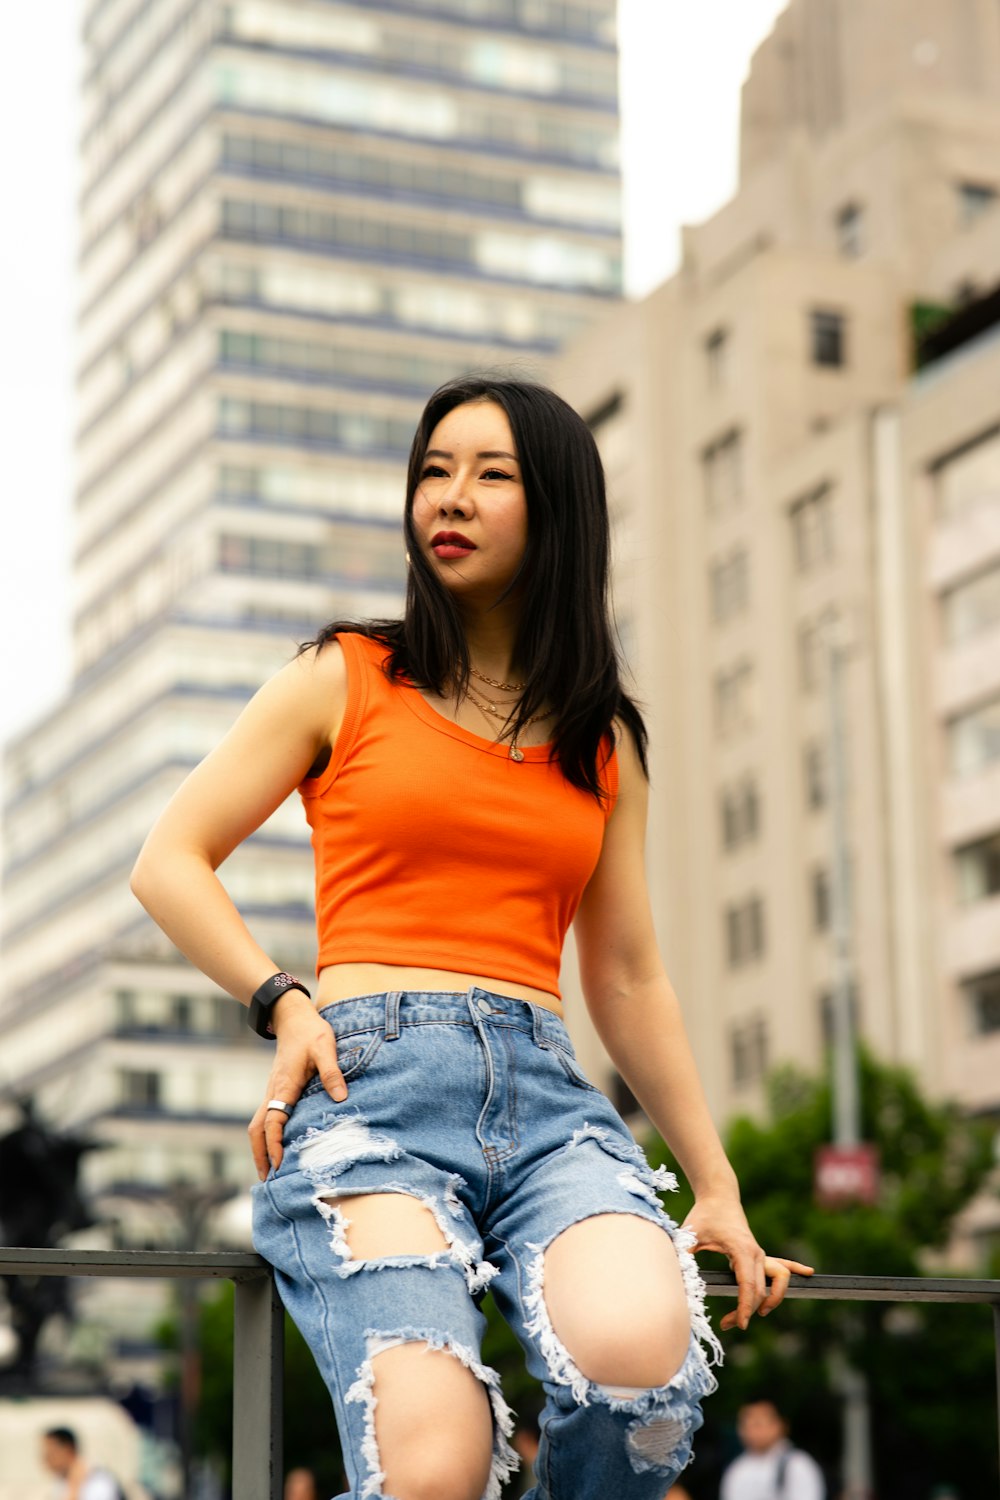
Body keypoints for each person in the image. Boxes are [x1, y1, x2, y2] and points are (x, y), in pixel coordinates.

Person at [131, 375, 813, 1500]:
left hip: (548, 1101)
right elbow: (168, 860)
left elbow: (630, 977)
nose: (449, 497)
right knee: (435, 1460)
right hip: (370, 1092)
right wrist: (280, 999)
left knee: (643, 1368)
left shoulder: (601, 740)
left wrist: (716, 1181)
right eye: (433, 472)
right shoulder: (343, 676)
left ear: (556, 508)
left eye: (490, 475)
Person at [720, 1398, 825, 1500]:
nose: (750, 1431)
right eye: (746, 1425)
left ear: (779, 1425)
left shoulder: (797, 1464)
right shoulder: (737, 1468)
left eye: (757, 1424)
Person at [40, 1427, 124, 1500]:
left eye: (50, 1454)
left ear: (68, 1450)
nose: (46, 1460)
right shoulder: (61, 1484)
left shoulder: (99, 1483)